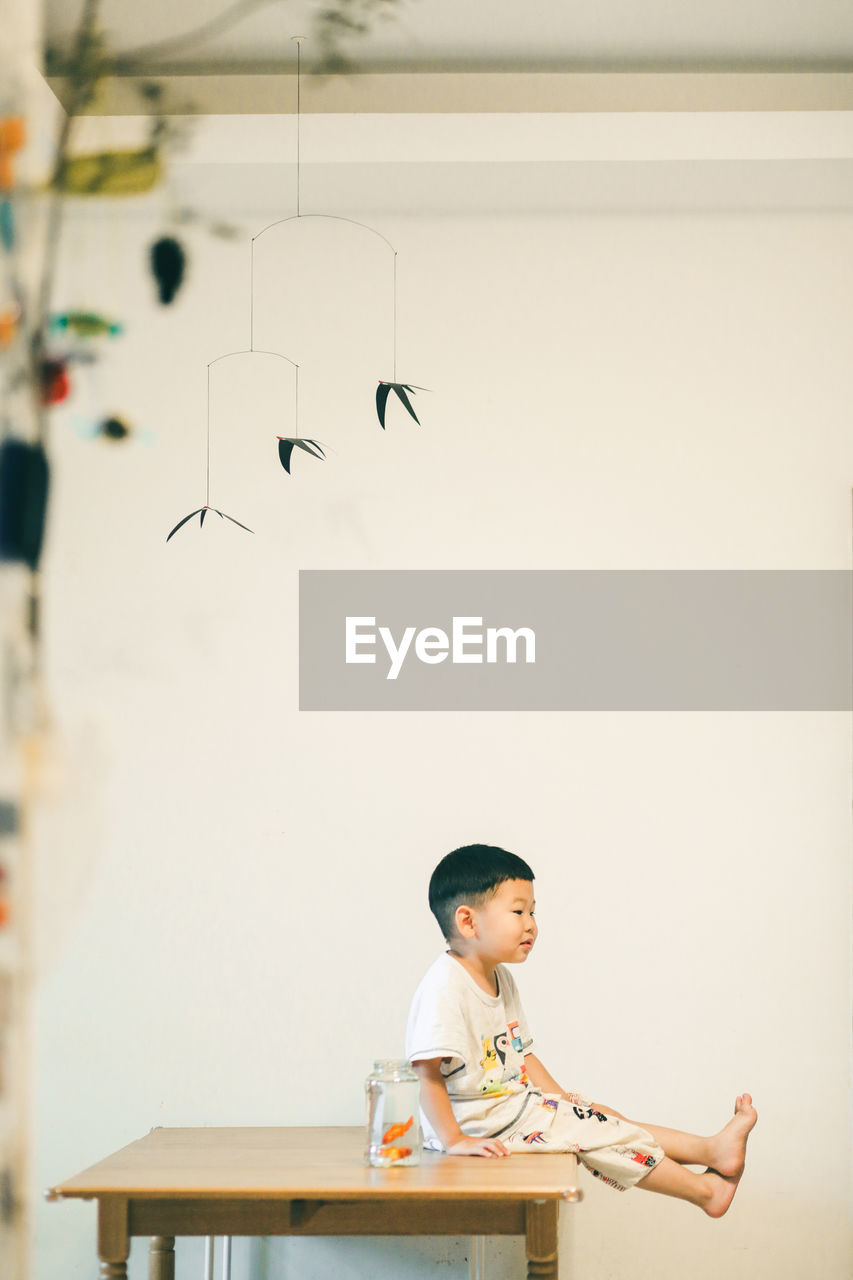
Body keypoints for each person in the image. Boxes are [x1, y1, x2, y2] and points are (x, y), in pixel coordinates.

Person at [406, 843, 757, 1217]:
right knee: (595, 1133)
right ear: (468, 921)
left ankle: (709, 1151)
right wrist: (454, 1139)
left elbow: (521, 1053)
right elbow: (426, 1074)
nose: (531, 924)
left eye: (533, 912)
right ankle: (704, 1190)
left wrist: (561, 1099)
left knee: (596, 1115)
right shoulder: (445, 986)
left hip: (515, 1110)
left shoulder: (500, 977)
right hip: (482, 1126)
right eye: (518, 911)